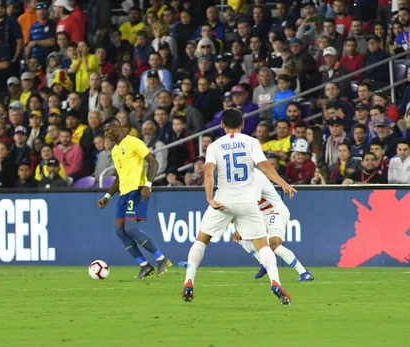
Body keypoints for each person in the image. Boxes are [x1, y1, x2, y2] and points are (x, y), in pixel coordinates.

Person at [180, 108, 296, 305]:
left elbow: (208, 172)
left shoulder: (214, 146)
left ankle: (189, 280)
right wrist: (282, 183)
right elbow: (265, 166)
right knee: (263, 247)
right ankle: (275, 281)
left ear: (222, 125)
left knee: (201, 241)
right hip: (247, 202)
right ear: (243, 123)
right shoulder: (251, 142)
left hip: (222, 200)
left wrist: (209, 198)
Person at [97, 116, 173, 279]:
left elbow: (154, 163)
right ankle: (144, 265)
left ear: (116, 127)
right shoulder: (115, 150)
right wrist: (107, 196)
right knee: (119, 230)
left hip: (137, 190)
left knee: (131, 228)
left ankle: (161, 259)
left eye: (107, 129)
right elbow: (119, 177)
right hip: (123, 194)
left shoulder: (133, 142)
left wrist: (148, 185)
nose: (106, 134)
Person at [233, 170, 314, 282]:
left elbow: (251, 204)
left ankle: (304, 273)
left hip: (275, 211)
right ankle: (263, 263)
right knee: (242, 238)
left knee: (274, 245)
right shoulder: (238, 185)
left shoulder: (255, 178)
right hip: (262, 214)